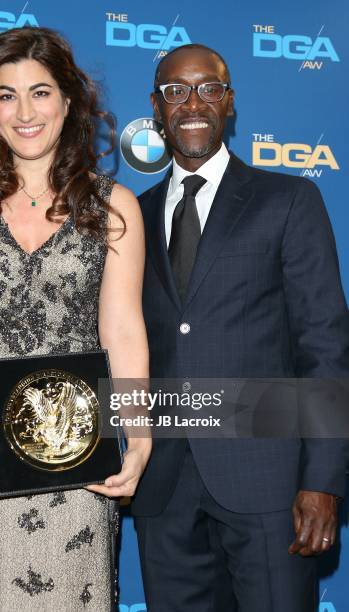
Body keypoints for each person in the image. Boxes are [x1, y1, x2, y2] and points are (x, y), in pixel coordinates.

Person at [0, 26, 150, 611]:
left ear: (68, 102)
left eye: (40, 92)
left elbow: (123, 332)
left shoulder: (114, 206)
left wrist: (139, 436)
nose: (24, 111)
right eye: (6, 95)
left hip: (72, 458)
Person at [131, 43, 349, 612]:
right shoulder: (130, 212)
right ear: (157, 107)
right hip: (163, 486)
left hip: (268, 483)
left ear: (229, 103)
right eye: (176, 91)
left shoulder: (290, 199)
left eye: (208, 88)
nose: (193, 103)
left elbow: (324, 346)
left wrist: (323, 479)